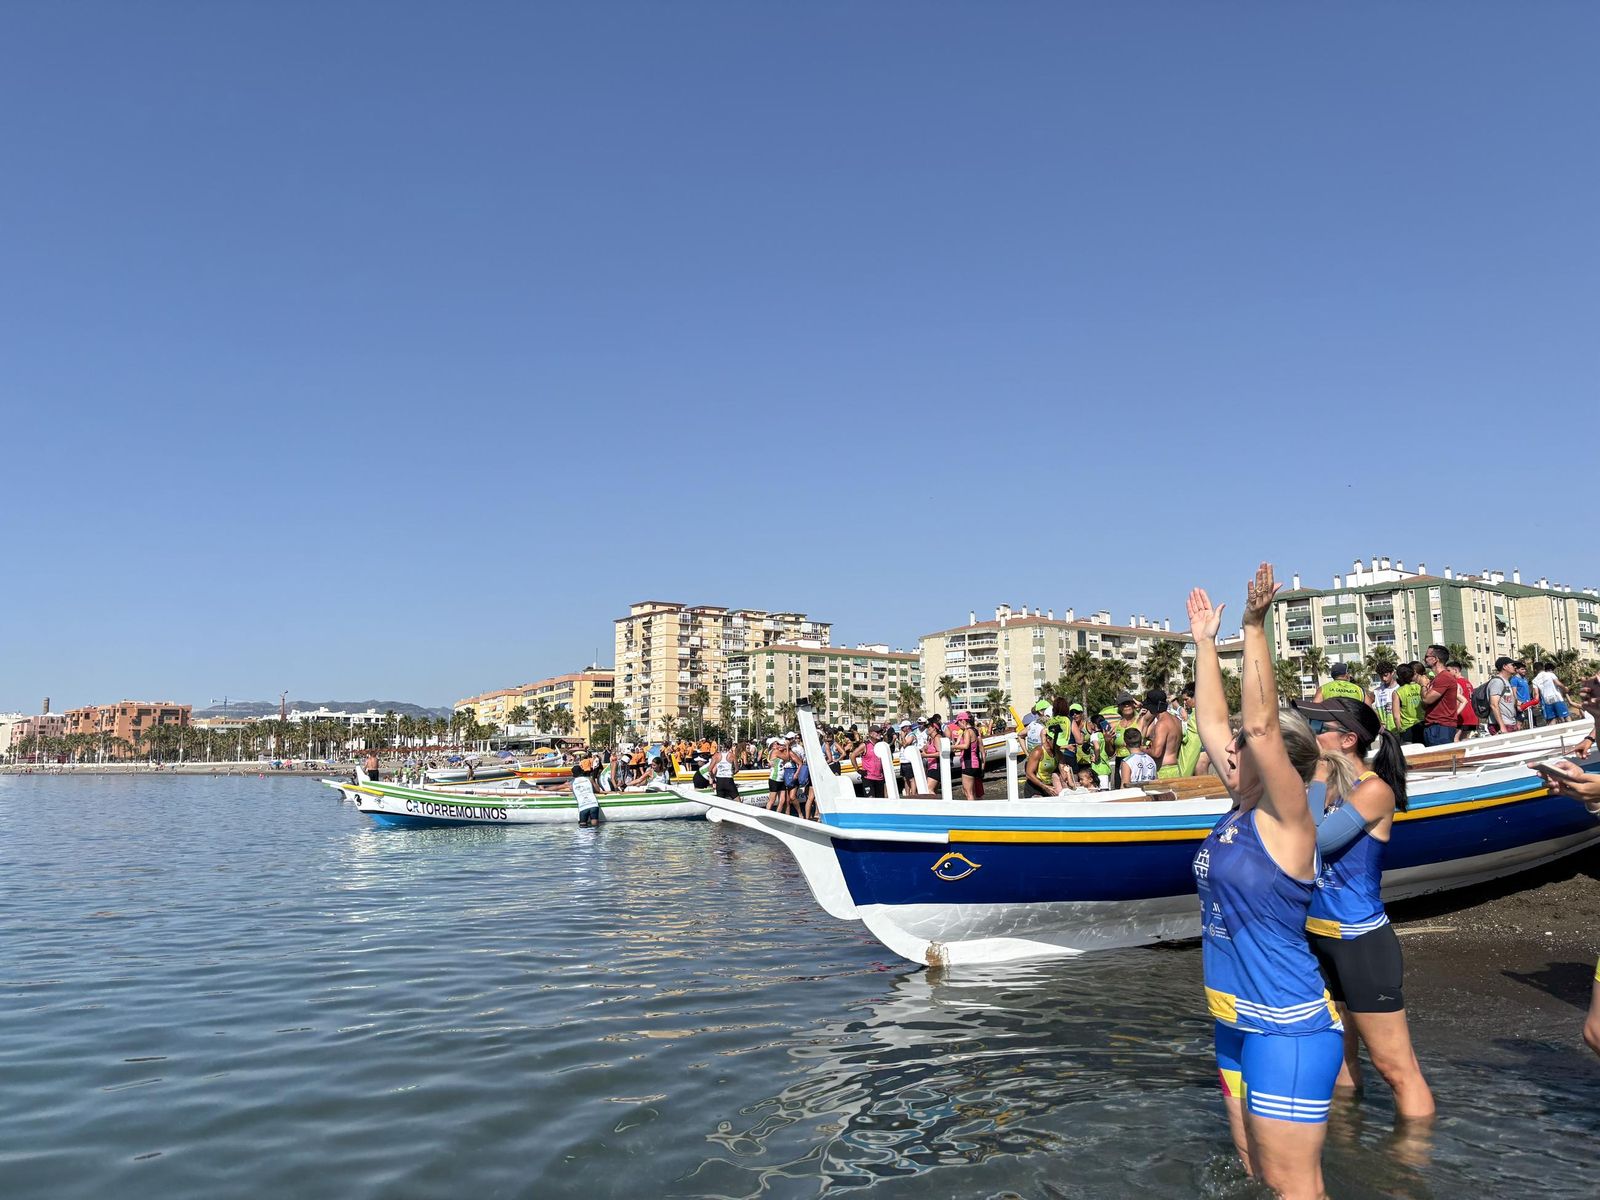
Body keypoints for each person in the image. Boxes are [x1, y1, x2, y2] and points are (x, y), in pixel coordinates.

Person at [1188, 565, 1343, 1200]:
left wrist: (1254, 627)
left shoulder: (1289, 819)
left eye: (1247, 748)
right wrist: (1202, 643)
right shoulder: (1242, 808)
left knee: (1293, 1186)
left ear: (1280, 759)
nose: (1229, 749)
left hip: (1288, 1027)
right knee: (1256, 1173)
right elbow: (1213, 723)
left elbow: (1255, 725)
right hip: (1236, 1020)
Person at [1297, 695, 1435, 1119]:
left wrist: (1317, 775)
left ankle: (1410, 1168)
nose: (1314, 735)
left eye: (1323, 729)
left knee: (1395, 1068)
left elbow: (1311, 842)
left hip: (1360, 943)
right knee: (1338, 1059)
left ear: (1349, 739)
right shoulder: (1327, 787)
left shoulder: (1374, 790)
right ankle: (1348, 1147)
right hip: (1318, 939)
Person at [1418, 646, 1460, 748]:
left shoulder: (1444, 677)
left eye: (1427, 656)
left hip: (1441, 726)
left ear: (1436, 659)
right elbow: (1424, 704)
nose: (1424, 659)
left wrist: (1423, 685)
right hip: (1433, 725)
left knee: (1442, 761)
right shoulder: (1436, 679)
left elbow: (1427, 699)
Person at [1143, 688, 1183, 779]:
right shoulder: (1176, 720)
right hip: (1175, 768)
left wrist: (1141, 748)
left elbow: (1156, 753)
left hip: (1164, 770)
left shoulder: (1162, 724)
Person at [952, 711, 985, 800]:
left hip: (969, 763)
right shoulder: (974, 731)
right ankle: (978, 809)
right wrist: (983, 764)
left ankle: (972, 812)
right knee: (973, 792)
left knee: (968, 792)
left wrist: (951, 746)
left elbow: (966, 746)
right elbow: (981, 747)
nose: (957, 725)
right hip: (975, 763)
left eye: (958, 723)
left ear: (963, 721)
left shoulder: (967, 731)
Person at [1486, 657, 1519, 735]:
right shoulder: (1497, 682)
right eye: (1512, 665)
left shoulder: (1507, 682)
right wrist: (1502, 726)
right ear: (1504, 666)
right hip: (1500, 726)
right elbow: (1493, 705)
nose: (1515, 667)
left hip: (1510, 723)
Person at [1394, 664, 1424, 745]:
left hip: (1407, 728)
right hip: (1422, 724)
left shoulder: (1398, 692)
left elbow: (1396, 716)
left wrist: (1400, 730)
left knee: (1410, 755)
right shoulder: (1420, 687)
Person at [1370, 665, 1400, 733]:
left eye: (1386, 675)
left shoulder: (1400, 688)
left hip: (1400, 728)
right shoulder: (1377, 691)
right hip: (1385, 731)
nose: (1383, 678)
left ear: (1392, 673)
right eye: (1381, 676)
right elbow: (1367, 704)